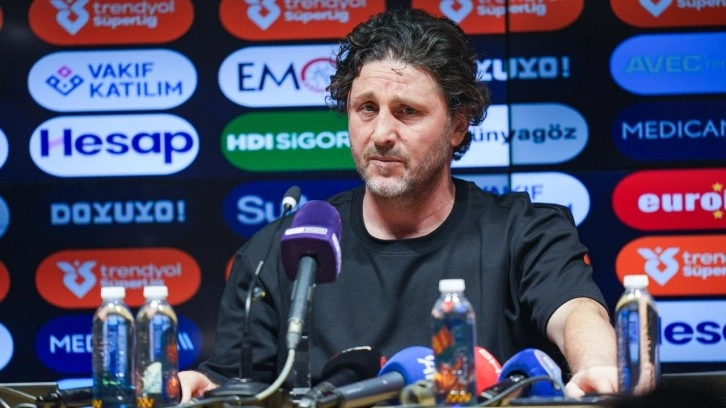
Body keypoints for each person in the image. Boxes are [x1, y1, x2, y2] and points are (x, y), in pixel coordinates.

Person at [179, 7, 617, 402]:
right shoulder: (282, 250)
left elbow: (577, 312)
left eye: (407, 111)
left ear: (457, 126)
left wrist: (597, 367)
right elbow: (233, 386)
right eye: (367, 108)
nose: (382, 133)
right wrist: (203, 388)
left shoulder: (525, 232)